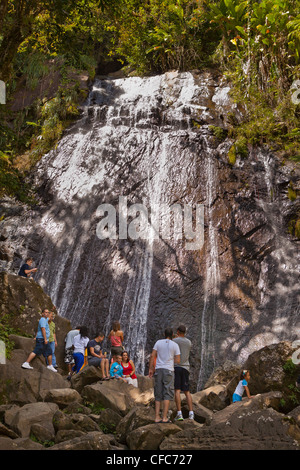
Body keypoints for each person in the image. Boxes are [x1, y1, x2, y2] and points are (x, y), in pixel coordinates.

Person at [149, 328, 180, 423]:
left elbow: (152, 356)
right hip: (169, 370)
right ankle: (164, 417)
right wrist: (170, 360)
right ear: (173, 335)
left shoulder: (158, 342)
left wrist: (151, 369)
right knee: (167, 393)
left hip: (158, 370)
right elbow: (178, 360)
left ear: (164, 334)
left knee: (158, 393)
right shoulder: (175, 345)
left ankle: (157, 417)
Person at [21, 308, 57, 372]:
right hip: (42, 339)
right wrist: (45, 339)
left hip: (44, 339)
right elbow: (43, 329)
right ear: (42, 313)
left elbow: (49, 316)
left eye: (47, 312)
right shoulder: (42, 320)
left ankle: (50, 366)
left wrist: (52, 310)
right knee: (36, 351)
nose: (47, 313)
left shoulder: (45, 319)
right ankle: (26, 363)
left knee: (49, 352)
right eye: (45, 312)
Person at [173, 325, 194, 421]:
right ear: (185, 332)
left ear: (177, 331)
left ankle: (179, 413)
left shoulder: (175, 341)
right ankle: (191, 413)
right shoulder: (189, 342)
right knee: (187, 391)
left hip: (177, 367)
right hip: (186, 368)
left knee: (177, 390)